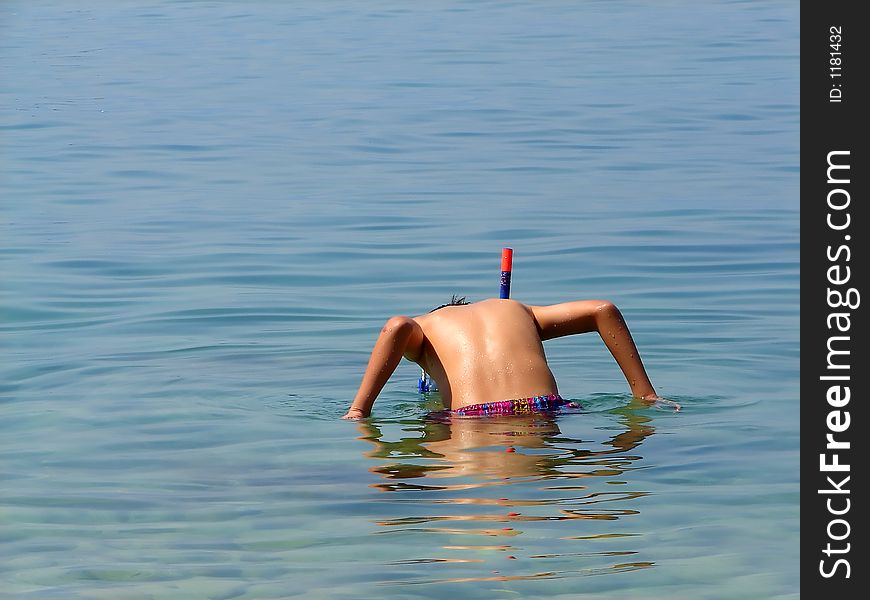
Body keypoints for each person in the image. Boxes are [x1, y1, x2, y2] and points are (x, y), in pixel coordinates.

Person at [342, 296, 677, 419]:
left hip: (474, 418)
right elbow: (603, 311)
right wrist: (644, 394)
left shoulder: (427, 327)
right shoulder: (516, 309)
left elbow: (397, 326)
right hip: (548, 408)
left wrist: (360, 409)